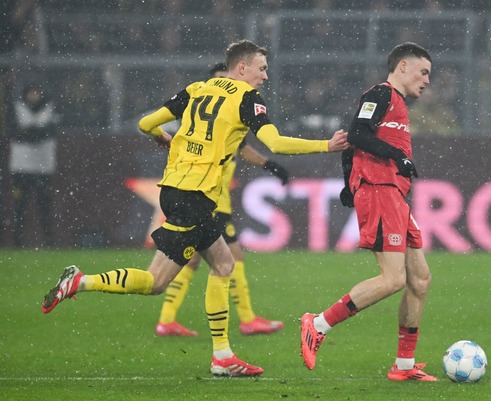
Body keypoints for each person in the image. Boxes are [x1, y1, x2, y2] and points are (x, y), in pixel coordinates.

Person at [42, 39, 348, 378]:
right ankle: (81, 282)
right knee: (157, 281)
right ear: (242, 67)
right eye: (261, 69)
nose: (265, 76)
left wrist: (161, 136)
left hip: (176, 188)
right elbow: (275, 142)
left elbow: (145, 124)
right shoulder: (247, 98)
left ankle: (223, 356)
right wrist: (326, 145)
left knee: (223, 262)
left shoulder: (196, 89)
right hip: (194, 196)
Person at [301, 42, 438, 382]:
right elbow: (358, 133)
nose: (427, 81)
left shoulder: (396, 104)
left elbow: (354, 141)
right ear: (403, 66)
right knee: (394, 279)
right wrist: (397, 157)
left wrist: (348, 183)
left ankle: (404, 366)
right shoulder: (380, 94)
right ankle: (317, 324)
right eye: (423, 72)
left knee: (419, 279)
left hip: (392, 194)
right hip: (379, 190)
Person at [155, 62, 287, 337]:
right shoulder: (210, 116)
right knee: (230, 259)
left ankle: (167, 320)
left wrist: (269, 165)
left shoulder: (221, 115)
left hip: (204, 196)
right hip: (207, 198)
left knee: (194, 261)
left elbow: (242, 149)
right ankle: (246, 320)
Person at [10, 83, 59, 247]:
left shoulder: (49, 108)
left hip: (44, 166)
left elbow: (49, 131)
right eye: (30, 93)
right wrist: (38, 131)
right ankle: (16, 242)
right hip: (21, 165)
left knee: (44, 205)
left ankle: (48, 241)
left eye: (36, 92)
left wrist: (30, 131)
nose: (33, 96)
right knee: (20, 205)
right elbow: (15, 132)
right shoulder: (17, 108)